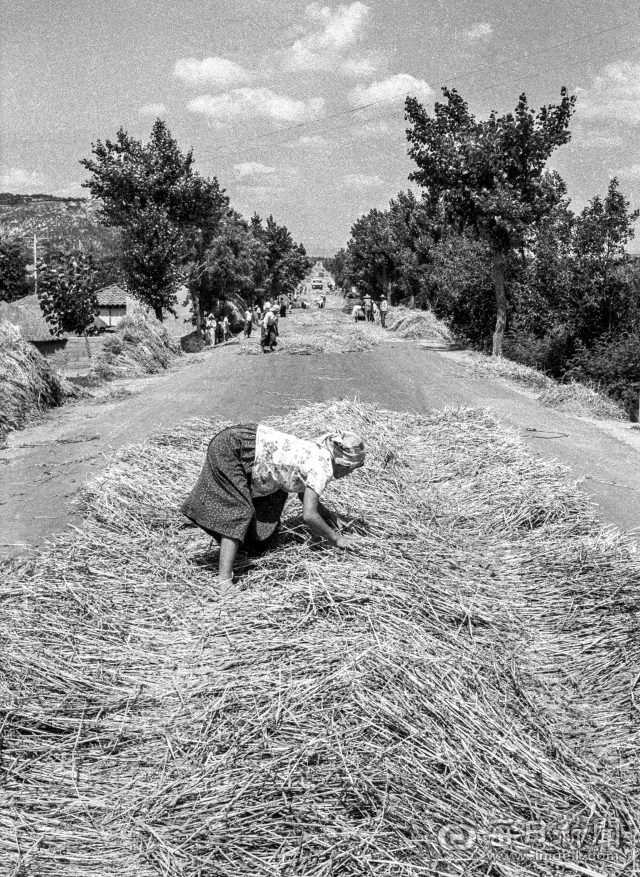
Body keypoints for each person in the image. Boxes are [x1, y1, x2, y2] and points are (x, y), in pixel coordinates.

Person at [180, 425, 366, 589]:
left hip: (243, 440)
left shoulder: (321, 453)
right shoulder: (322, 468)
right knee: (239, 512)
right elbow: (309, 515)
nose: (349, 473)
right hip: (235, 448)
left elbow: (304, 495)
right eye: (351, 468)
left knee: (269, 514)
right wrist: (336, 539)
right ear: (343, 463)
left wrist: (331, 516)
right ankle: (224, 581)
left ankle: (241, 550)